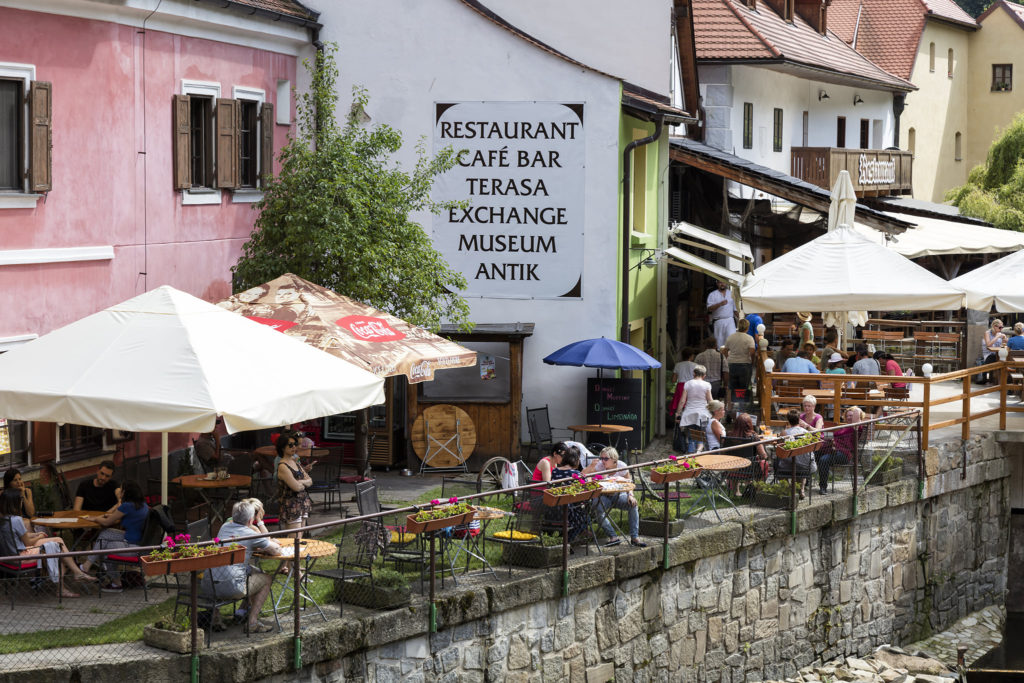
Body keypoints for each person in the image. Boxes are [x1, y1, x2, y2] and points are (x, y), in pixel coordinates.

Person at [0, 489, 96, 598]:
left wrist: (35, 535)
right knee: (58, 544)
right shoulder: (16, 519)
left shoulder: (4, 519)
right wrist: (40, 536)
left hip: (8, 557)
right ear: (15, 502)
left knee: (58, 547)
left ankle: (67, 584)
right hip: (21, 557)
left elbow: (17, 536)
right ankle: (76, 574)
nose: (22, 502)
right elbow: (27, 542)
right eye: (21, 499)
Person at [202, 500, 280, 634]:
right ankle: (252, 622)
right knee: (266, 578)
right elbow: (276, 551)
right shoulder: (250, 534)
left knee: (252, 571)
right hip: (232, 587)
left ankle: (222, 617)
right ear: (251, 521)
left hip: (208, 584)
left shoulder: (224, 527)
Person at [80, 481, 149, 591]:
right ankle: (86, 566)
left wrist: (96, 518)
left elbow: (106, 523)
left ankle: (116, 584)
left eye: (121, 490)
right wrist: (108, 515)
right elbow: (117, 516)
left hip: (133, 547)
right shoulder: (142, 504)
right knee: (105, 533)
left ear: (125, 492)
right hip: (138, 542)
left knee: (104, 547)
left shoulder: (126, 506)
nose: (118, 492)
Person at [583, 447, 645, 547]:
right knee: (597, 506)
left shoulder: (621, 466)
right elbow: (584, 475)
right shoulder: (599, 466)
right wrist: (592, 469)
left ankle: (634, 537)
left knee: (633, 505)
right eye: (601, 458)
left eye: (606, 459)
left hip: (618, 495)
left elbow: (629, 482)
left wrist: (630, 495)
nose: (603, 461)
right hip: (603, 495)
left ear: (614, 459)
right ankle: (613, 536)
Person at [818, 407, 866, 495]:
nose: (849, 417)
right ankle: (806, 482)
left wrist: (855, 410)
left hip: (845, 454)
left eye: (851, 415)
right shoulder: (844, 427)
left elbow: (857, 412)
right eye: (847, 416)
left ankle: (823, 487)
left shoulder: (856, 427)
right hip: (833, 449)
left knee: (823, 460)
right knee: (815, 453)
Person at [276, 434, 314, 537]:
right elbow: (296, 487)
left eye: (295, 444)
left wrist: (301, 482)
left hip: (303, 504)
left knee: (299, 538)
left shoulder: (295, 462)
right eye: (290, 445)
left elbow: (310, 481)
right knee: (294, 541)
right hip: (292, 506)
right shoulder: (283, 466)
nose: (294, 447)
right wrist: (302, 483)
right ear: (282, 447)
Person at [675, 366, 713, 452]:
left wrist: (678, 413)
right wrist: (714, 412)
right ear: (704, 375)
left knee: (691, 436)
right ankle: (698, 453)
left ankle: (691, 456)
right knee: (701, 434)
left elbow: (682, 401)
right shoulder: (707, 385)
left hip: (689, 414)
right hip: (703, 414)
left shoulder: (688, 383)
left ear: (694, 374)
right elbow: (710, 400)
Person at [776, 410, 811, 498]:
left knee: (776, 463)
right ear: (799, 419)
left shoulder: (785, 432)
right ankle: (801, 489)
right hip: (805, 466)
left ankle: (789, 488)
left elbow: (780, 447)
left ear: (788, 420)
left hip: (788, 466)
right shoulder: (806, 433)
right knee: (802, 458)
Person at [727, 413, 769, 479]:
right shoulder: (753, 437)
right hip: (749, 469)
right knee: (764, 463)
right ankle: (756, 488)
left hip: (731, 467)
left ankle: (735, 489)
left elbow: (725, 452)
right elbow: (764, 455)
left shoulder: (729, 436)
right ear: (749, 424)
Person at [723, 319, 756, 395]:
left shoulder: (731, 337)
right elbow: (752, 353)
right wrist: (752, 362)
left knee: (732, 387)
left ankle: (731, 404)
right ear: (747, 327)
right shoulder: (749, 338)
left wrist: (727, 359)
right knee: (743, 388)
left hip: (731, 364)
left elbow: (725, 351)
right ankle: (742, 404)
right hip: (745, 364)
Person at [707, 280, 736, 349]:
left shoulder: (731, 294)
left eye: (723, 282)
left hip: (730, 320)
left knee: (731, 341)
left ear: (726, 283)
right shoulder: (712, 294)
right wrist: (719, 304)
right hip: (718, 321)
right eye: (720, 282)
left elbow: (735, 309)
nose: (722, 284)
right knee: (719, 343)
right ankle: (721, 358)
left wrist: (742, 320)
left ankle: (729, 358)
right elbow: (709, 309)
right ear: (717, 284)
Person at [980, 319, 1007, 384]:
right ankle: (999, 382)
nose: (1001, 329)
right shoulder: (987, 333)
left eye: (1002, 327)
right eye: (1000, 327)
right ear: (995, 326)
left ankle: (1002, 382)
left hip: (997, 354)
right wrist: (997, 337)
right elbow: (988, 345)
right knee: (999, 360)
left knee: (1006, 359)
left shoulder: (1000, 334)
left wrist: (1005, 339)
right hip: (988, 354)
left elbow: (1003, 346)